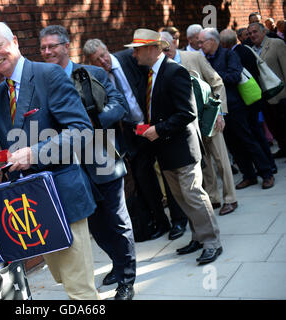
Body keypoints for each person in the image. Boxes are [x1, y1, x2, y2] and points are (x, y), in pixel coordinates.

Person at [0, 22, 100, 300]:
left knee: (79, 289)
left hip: (63, 198)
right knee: (63, 279)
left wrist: (35, 152)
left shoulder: (48, 74)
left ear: (13, 41)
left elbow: (82, 131)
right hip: (31, 207)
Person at [39, 25, 136, 300]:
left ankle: (127, 280)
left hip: (102, 153)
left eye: (52, 46)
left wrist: (92, 124)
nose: (47, 52)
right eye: (43, 47)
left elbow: (119, 104)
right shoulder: (42, 83)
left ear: (65, 46)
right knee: (93, 224)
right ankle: (118, 264)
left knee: (117, 219)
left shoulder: (91, 73)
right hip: (69, 166)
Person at [127, 28, 222, 265]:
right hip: (166, 150)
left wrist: (157, 129)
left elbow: (187, 113)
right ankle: (199, 237)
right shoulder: (150, 74)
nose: (134, 55)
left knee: (193, 196)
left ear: (151, 48)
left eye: (137, 50)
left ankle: (212, 242)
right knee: (182, 198)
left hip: (182, 149)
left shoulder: (174, 71)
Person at [83, 38, 188, 240]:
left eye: (103, 56)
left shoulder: (130, 59)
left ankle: (179, 220)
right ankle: (160, 221)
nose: (103, 62)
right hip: (133, 132)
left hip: (155, 123)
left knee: (167, 172)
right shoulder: (97, 78)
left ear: (107, 50)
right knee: (144, 178)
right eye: (97, 60)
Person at [160, 31, 238, 216]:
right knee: (204, 162)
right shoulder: (163, 68)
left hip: (210, 116)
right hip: (189, 123)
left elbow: (216, 82)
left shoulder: (194, 57)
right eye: (160, 49)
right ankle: (213, 197)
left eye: (167, 47)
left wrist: (219, 111)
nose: (165, 51)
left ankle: (230, 198)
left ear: (174, 43)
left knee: (221, 159)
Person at [199, 27, 275, 190]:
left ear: (212, 41)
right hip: (219, 110)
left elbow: (234, 75)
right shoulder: (204, 59)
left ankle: (266, 173)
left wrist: (213, 77)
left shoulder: (228, 54)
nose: (200, 45)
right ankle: (249, 175)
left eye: (202, 42)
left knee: (248, 140)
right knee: (234, 145)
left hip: (235, 106)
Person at [219, 28, 277, 175]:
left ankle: (269, 166)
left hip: (248, 100)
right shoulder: (244, 49)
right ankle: (269, 165)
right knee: (257, 133)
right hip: (252, 98)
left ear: (224, 44)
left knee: (256, 134)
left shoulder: (236, 54)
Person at [248, 22, 286, 159]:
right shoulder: (251, 50)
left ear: (264, 32)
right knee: (274, 125)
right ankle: (283, 147)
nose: (252, 35)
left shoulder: (276, 44)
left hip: (281, 94)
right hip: (265, 96)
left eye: (255, 31)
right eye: (250, 33)